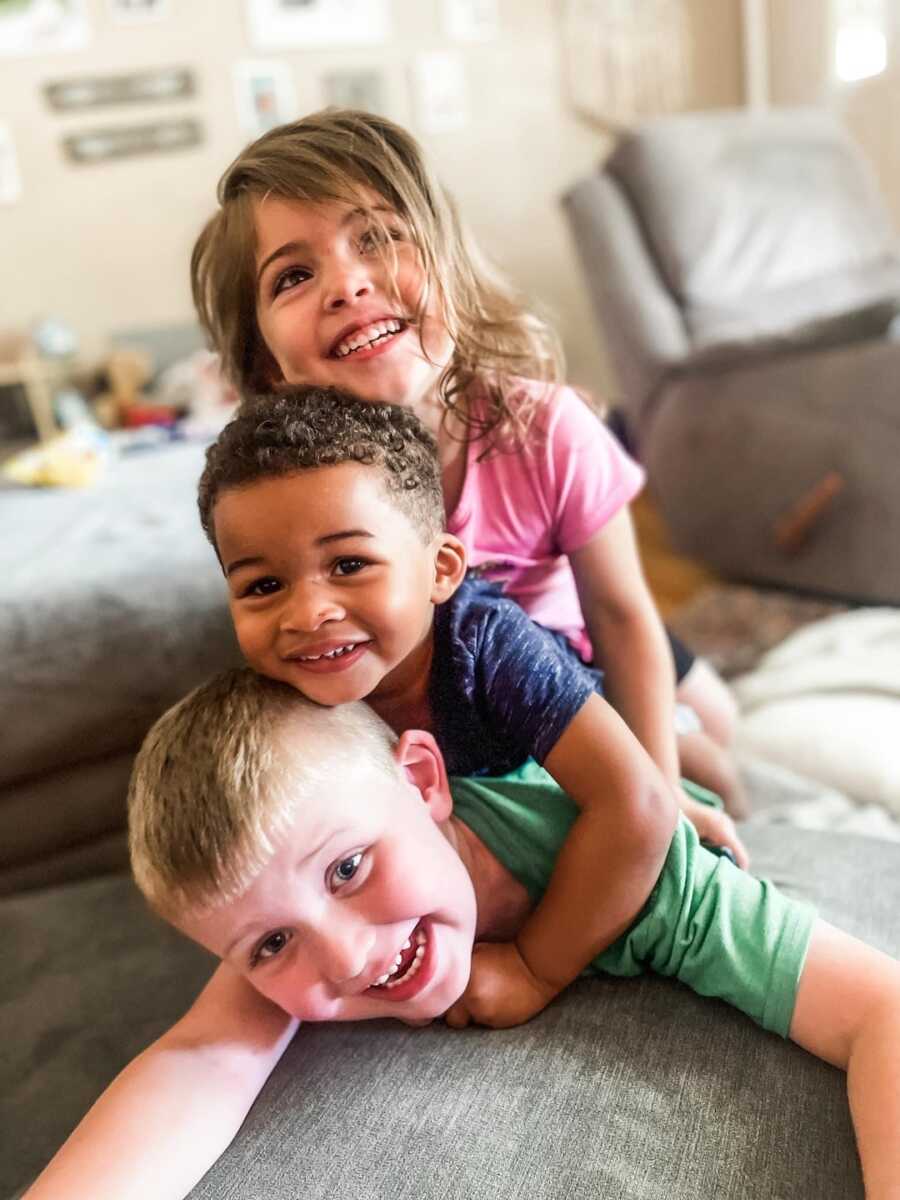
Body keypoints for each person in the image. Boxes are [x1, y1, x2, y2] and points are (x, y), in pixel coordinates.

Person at [24, 668, 900, 1200]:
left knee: (699, 744)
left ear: (422, 779)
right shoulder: (286, 887)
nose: (351, 957)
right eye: (268, 946)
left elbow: (879, 1012)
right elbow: (200, 1059)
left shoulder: (654, 880)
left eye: (348, 871)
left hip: (601, 726)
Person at [190, 106, 745, 821]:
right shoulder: (288, 497)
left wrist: (657, 785)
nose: (347, 284)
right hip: (469, 696)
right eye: (293, 275)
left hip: (574, 640)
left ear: (448, 264)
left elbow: (620, 612)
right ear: (266, 360)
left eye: (380, 237)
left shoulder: (547, 428)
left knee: (712, 747)